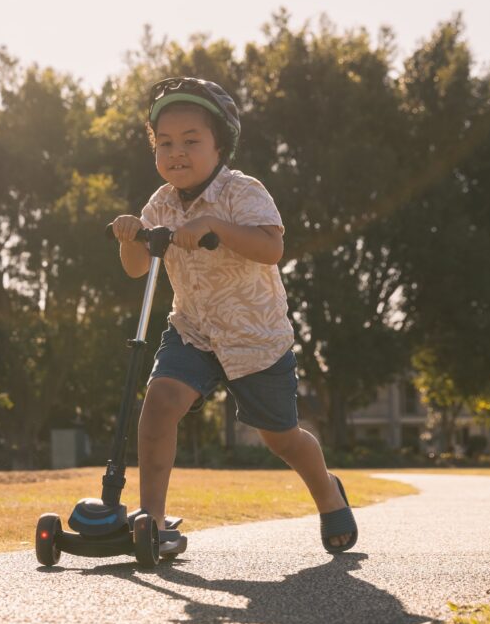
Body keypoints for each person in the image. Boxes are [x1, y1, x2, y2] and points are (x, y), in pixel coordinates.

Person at [110, 77, 358, 557]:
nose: (175, 152)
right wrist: (130, 238)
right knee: (159, 403)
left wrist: (216, 228)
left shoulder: (241, 191)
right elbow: (140, 268)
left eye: (190, 141)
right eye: (164, 143)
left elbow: (272, 248)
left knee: (281, 438)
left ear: (220, 146)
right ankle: (153, 524)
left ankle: (328, 492)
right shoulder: (159, 204)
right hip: (194, 331)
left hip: (256, 336)